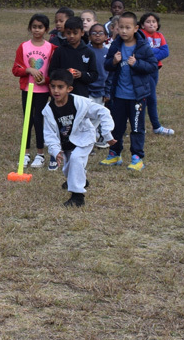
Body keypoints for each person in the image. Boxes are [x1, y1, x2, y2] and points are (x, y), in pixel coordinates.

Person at [43, 69, 116, 207]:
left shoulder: (80, 103)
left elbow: (103, 112)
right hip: (66, 143)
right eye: (53, 86)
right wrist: (55, 150)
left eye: (60, 87)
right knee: (68, 169)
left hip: (84, 138)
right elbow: (49, 133)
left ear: (69, 88)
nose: (56, 91)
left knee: (76, 159)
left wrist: (107, 134)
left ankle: (77, 197)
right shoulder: (49, 109)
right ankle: (80, 179)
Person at [100, 11, 158, 171]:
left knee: (137, 127)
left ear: (136, 28)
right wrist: (113, 61)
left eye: (127, 27)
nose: (124, 31)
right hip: (118, 96)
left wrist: (137, 63)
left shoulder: (143, 47)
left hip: (137, 97)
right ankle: (115, 154)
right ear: (116, 28)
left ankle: (137, 157)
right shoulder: (115, 45)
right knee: (116, 126)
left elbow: (153, 66)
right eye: (121, 27)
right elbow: (106, 65)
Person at [12, 14, 57, 170]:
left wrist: (46, 80)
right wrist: (28, 70)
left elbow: (54, 71)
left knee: (39, 120)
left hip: (43, 90)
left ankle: (40, 154)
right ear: (30, 28)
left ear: (46, 29)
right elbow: (16, 70)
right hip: (27, 89)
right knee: (27, 120)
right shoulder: (23, 47)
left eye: (40, 27)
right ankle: (25, 154)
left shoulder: (51, 48)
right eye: (34, 27)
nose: (37, 30)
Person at [139, 12, 174, 135]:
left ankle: (152, 126)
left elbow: (165, 52)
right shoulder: (141, 35)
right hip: (145, 70)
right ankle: (155, 126)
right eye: (148, 22)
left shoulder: (160, 35)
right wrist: (153, 53)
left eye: (153, 21)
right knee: (150, 98)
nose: (151, 24)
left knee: (150, 98)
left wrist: (151, 55)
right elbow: (142, 51)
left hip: (154, 70)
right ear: (142, 25)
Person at [47, 16, 98, 100]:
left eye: (75, 33)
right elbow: (51, 72)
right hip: (61, 95)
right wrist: (64, 74)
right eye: (68, 33)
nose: (71, 36)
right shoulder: (59, 50)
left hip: (81, 95)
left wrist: (81, 74)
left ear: (82, 33)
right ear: (64, 33)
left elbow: (94, 75)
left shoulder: (89, 52)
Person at [87, 23, 111, 148]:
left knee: (96, 118)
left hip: (101, 91)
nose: (97, 35)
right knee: (85, 119)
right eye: (94, 33)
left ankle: (92, 141)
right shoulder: (86, 51)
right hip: (88, 90)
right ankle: (85, 142)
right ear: (89, 36)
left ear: (106, 36)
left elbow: (110, 74)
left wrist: (107, 92)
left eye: (100, 33)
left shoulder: (108, 52)